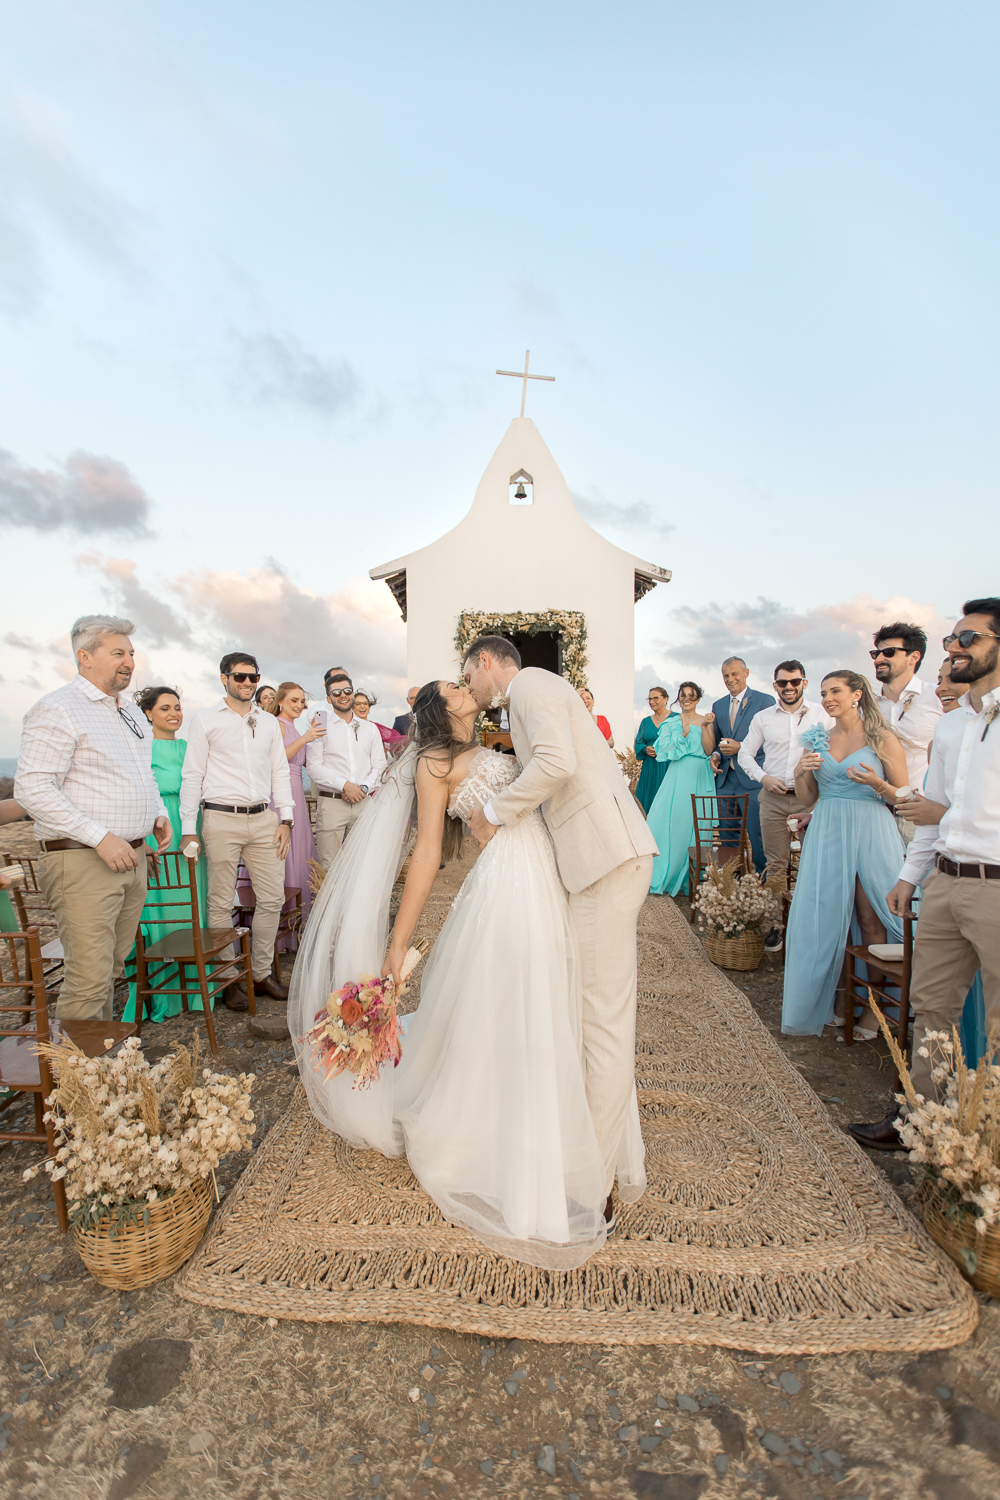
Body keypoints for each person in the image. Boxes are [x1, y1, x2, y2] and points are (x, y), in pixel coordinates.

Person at [290, 675, 643, 1268]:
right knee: (515, 1002)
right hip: (509, 885)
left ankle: (570, 1132)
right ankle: (511, 1126)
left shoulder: (498, 741)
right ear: (439, 706)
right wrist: (396, 947)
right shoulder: (432, 761)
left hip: (550, 875)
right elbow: (427, 848)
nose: (466, 685)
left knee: (559, 1001)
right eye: (454, 686)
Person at [463, 636, 657, 1227]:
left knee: (601, 1024)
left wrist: (493, 813)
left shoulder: (534, 686)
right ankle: (586, 1156)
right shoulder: (532, 692)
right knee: (585, 1014)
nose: (469, 686)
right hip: (597, 860)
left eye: (468, 674)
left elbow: (556, 763)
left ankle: (593, 1186)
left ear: (488, 663)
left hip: (604, 860)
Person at [849, 601, 1000, 1150]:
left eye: (969, 638)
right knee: (931, 1006)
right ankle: (924, 1119)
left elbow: (942, 811)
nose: (954, 648)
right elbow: (931, 807)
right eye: (952, 640)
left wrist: (943, 816)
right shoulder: (956, 723)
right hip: (943, 882)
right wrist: (910, 877)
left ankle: (988, 1142)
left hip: (996, 886)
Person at [14, 615, 171, 1020]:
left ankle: (99, 1069)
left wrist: (158, 813)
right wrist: (101, 838)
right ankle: (76, 1081)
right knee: (88, 979)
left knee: (112, 969)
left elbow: (144, 771)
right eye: (118, 652)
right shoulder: (57, 709)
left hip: (131, 858)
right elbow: (32, 789)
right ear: (84, 657)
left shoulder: (132, 713)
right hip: (83, 860)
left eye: (131, 653)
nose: (130, 662)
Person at [781, 670, 908, 1039]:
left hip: (872, 828)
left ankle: (875, 1009)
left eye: (835, 691)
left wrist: (877, 784)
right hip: (828, 830)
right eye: (823, 692)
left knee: (871, 918)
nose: (828, 698)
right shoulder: (819, 738)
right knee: (826, 919)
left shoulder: (882, 738)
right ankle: (838, 1001)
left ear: (856, 694)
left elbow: (903, 796)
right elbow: (809, 799)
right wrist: (801, 771)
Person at [179, 651, 294, 1006]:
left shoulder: (268, 723)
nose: (247, 683)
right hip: (220, 818)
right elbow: (192, 774)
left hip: (263, 819)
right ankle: (230, 979)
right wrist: (187, 827)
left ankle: (260, 974)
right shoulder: (205, 721)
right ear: (224, 678)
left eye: (253, 677)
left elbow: (280, 772)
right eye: (239, 677)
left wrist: (286, 819)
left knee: (272, 898)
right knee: (219, 901)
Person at [122, 685, 210, 1023]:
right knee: (158, 903)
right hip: (156, 826)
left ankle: (195, 984)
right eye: (164, 708)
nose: (174, 713)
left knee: (194, 897)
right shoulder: (139, 749)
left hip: (190, 823)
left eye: (177, 707)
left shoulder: (190, 747)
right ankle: (161, 991)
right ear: (148, 713)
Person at [737, 660, 833, 951]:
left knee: (814, 863)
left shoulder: (823, 715)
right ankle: (775, 927)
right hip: (774, 797)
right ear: (775, 684)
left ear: (804, 683)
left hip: (813, 798)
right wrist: (763, 777)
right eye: (783, 683)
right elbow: (745, 754)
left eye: (795, 682)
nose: (789, 687)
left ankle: (810, 928)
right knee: (775, 864)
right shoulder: (764, 717)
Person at [306, 670, 387, 868]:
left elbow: (379, 763)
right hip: (332, 803)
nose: (343, 695)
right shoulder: (320, 726)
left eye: (347, 690)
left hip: (363, 802)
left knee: (362, 863)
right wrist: (344, 786)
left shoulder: (370, 728)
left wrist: (363, 788)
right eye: (336, 692)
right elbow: (313, 767)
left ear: (352, 693)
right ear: (328, 698)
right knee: (329, 865)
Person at [871, 621, 941, 840]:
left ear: (914, 657)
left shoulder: (938, 698)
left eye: (889, 652)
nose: (879, 659)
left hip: (919, 815)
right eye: (876, 653)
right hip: (873, 812)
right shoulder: (867, 707)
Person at [646, 682, 716, 896]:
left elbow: (708, 750)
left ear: (698, 699)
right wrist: (683, 735)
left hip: (700, 775)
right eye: (683, 695)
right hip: (678, 775)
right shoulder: (671, 723)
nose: (687, 699)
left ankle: (691, 878)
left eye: (691, 696)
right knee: (672, 822)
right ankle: (667, 872)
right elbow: (663, 751)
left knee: (697, 825)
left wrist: (704, 728)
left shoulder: (706, 720)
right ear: (678, 698)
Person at [268, 682, 322, 945]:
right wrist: (305, 738)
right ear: (280, 702)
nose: (299, 705)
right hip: (279, 793)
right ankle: (281, 934)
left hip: (297, 791)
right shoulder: (275, 724)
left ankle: (300, 927)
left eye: (302, 701)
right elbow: (276, 760)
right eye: (294, 701)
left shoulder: (295, 727)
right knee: (285, 854)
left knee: (301, 852)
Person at [710, 658, 775, 872]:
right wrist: (717, 756)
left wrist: (742, 747)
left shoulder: (765, 701)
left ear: (746, 673)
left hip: (754, 779)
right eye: (726, 675)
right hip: (726, 780)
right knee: (727, 836)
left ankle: (763, 884)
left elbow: (772, 741)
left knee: (758, 834)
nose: (730, 679)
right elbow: (719, 741)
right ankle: (731, 882)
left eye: (735, 674)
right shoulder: (718, 705)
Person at [633, 687, 671, 814]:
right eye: (650, 699)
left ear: (666, 699)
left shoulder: (676, 719)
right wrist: (645, 748)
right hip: (650, 767)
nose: (652, 702)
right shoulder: (645, 721)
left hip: (669, 766)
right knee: (647, 804)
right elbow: (638, 743)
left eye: (656, 698)